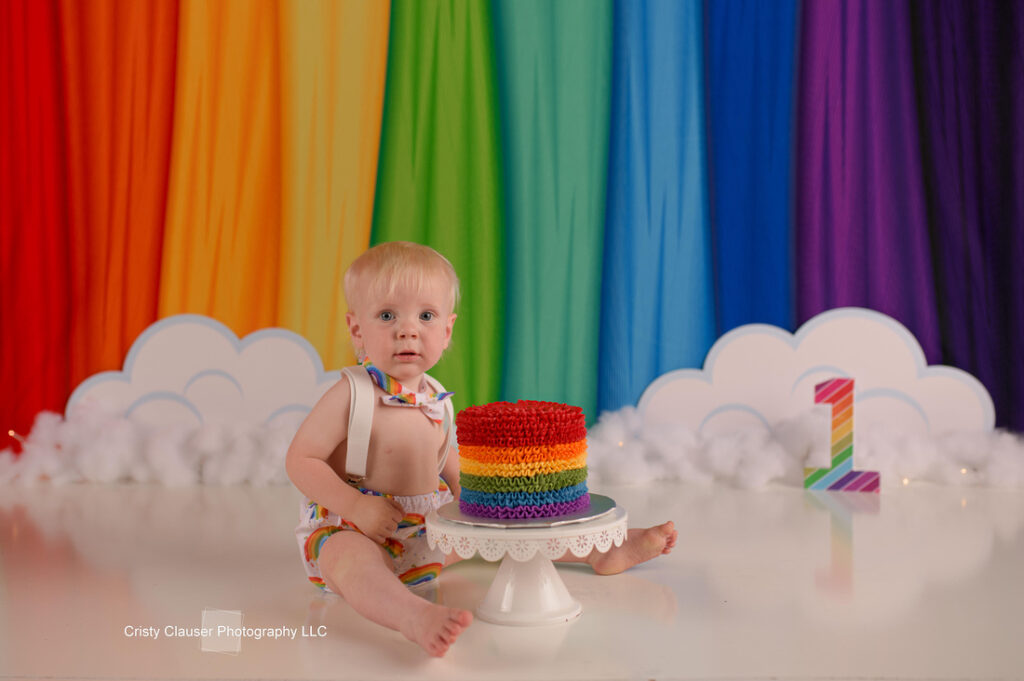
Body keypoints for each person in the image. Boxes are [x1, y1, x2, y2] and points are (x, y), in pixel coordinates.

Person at [286, 241, 677, 657]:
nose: (408, 329)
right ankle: (410, 616)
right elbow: (301, 459)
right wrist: (356, 506)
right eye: (387, 315)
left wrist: (473, 506)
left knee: (508, 534)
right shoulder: (351, 393)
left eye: (426, 316)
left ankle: (602, 552)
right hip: (354, 528)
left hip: (424, 529)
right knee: (354, 566)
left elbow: (448, 463)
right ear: (356, 330)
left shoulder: (438, 398)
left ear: (447, 330)